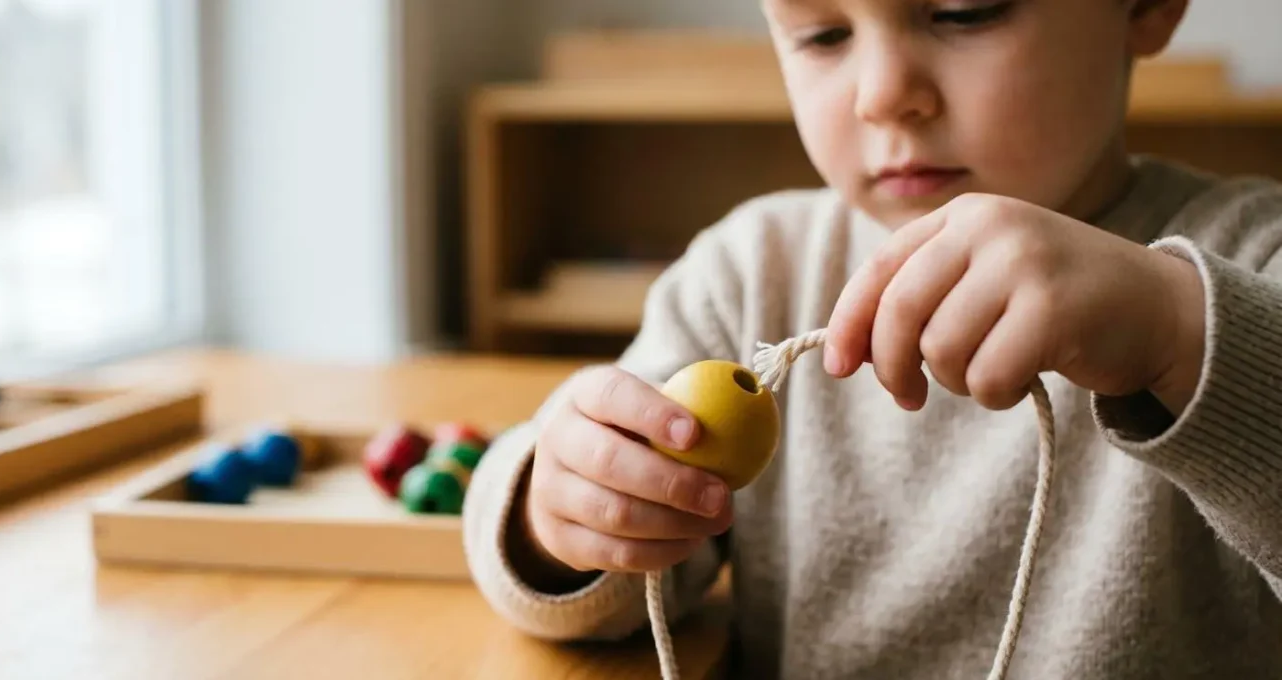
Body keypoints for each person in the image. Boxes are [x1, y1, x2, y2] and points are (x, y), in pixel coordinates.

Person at [463, 0, 1282, 677]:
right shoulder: (753, 276)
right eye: (823, 35)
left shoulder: (1253, 258)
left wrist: (1177, 331)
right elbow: (612, 567)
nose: (883, 95)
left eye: (964, 12)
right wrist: (556, 509)